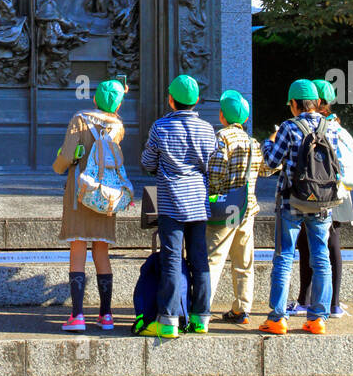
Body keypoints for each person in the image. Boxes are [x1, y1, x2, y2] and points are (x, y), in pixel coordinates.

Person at [260, 78, 342, 335]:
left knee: (284, 258)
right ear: (316, 103)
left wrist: (268, 141)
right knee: (321, 258)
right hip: (322, 202)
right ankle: (318, 318)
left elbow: (273, 162)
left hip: (291, 201)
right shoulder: (331, 128)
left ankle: (277, 318)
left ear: (294, 104)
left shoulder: (289, 127)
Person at [140, 74, 217, 337]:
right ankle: (201, 318)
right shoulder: (207, 129)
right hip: (198, 202)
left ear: (171, 100)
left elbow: (148, 163)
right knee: (199, 259)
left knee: (171, 259)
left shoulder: (160, 128)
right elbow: (211, 167)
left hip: (171, 203)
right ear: (196, 101)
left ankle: (168, 320)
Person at [53, 78, 128, 332]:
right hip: (105, 195)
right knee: (101, 251)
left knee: (77, 248)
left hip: (80, 192)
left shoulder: (79, 119)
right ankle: (106, 315)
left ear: (95, 98)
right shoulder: (117, 126)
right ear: (117, 104)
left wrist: (58, 166)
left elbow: (66, 156)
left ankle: (77, 316)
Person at [206, 89, 273, 327]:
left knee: (213, 259)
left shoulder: (221, 138)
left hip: (225, 209)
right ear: (244, 119)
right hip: (247, 208)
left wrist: (213, 194)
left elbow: (214, 173)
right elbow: (267, 169)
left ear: (223, 116)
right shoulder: (253, 143)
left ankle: (202, 309)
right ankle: (242, 309)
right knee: (244, 262)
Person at [289, 79, 353, 319]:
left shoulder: (324, 125)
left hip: (315, 194)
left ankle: (313, 301)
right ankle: (329, 303)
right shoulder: (334, 125)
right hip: (333, 191)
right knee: (328, 245)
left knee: (314, 246)